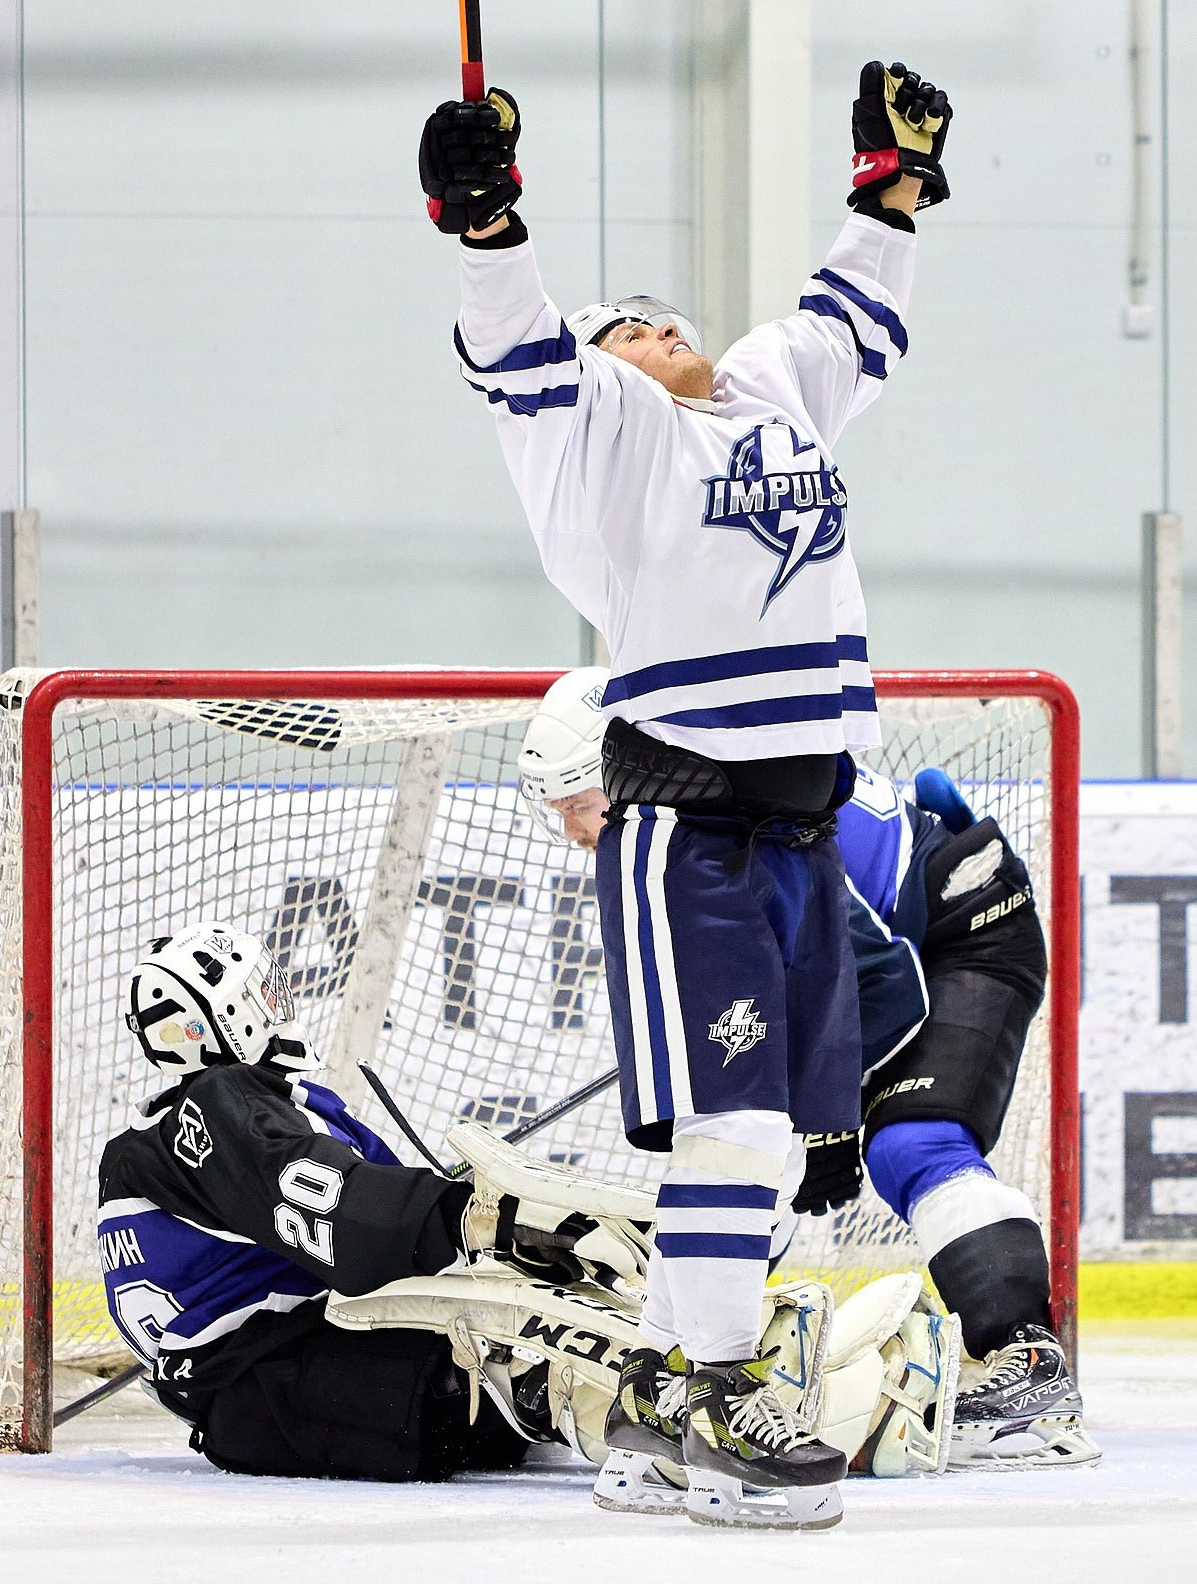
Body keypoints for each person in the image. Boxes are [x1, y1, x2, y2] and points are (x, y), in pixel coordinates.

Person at [424, 58, 954, 1530]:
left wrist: (890, 183)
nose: (646, 320)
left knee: (776, 1140)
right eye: (620, 325)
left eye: (659, 308)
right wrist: (485, 220)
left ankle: (668, 1400)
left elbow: (854, 311)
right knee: (727, 1125)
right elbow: (513, 347)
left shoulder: (770, 391)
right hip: (689, 825)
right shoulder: (599, 437)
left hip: (796, 824)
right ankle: (704, 1389)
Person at [95, 918, 963, 1494]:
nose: (274, 1010)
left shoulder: (232, 1116)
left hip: (291, 1382)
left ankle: (770, 1379)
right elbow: (347, 1218)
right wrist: (492, 1221)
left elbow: (367, 1233)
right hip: (282, 1385)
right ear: (227, 1014)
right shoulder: (213, 1113)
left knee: (531, 1306)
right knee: (513, 1352)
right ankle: (847, 1414)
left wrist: (492, 1232)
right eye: (258, 997)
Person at [520, 669, 1098, 1469]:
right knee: (768, 1151)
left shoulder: (720, 827)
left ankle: (1027, 1363)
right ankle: (683, 1369)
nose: (576, 833)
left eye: (577, 806)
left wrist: (824, 1115)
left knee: (906, 1144)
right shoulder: (691, 818)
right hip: (884, 959)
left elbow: (869, 982)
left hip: (962, 935)